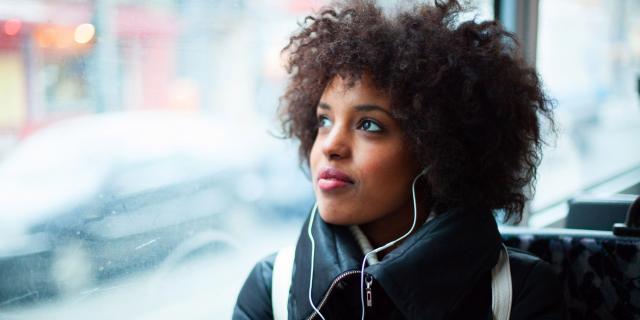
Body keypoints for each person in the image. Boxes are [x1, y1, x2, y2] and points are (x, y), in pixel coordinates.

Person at [233, 0, 564, 319]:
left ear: (438, 150)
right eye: (323, 121)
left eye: (369, 125)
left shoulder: (516, 292)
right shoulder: (272, 288)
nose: (330, 146)